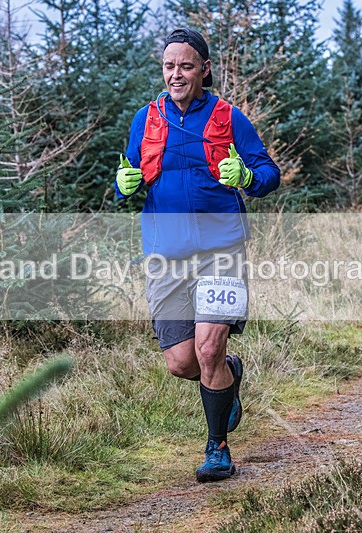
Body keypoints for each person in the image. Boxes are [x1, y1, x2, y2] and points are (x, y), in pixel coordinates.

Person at [114, 28, 280, 482]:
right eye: (169, 66)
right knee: (182, 362)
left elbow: (269, 173)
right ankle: (229, 375)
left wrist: (247, 175)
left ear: (204, 69)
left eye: (185, 66)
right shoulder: (146, 118)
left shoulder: (229, 117)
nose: (176, 74)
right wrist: (122, 186)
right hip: (165, 253)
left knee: (208, 347)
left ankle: (217, 447)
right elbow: (128, 171)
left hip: (221, 249)